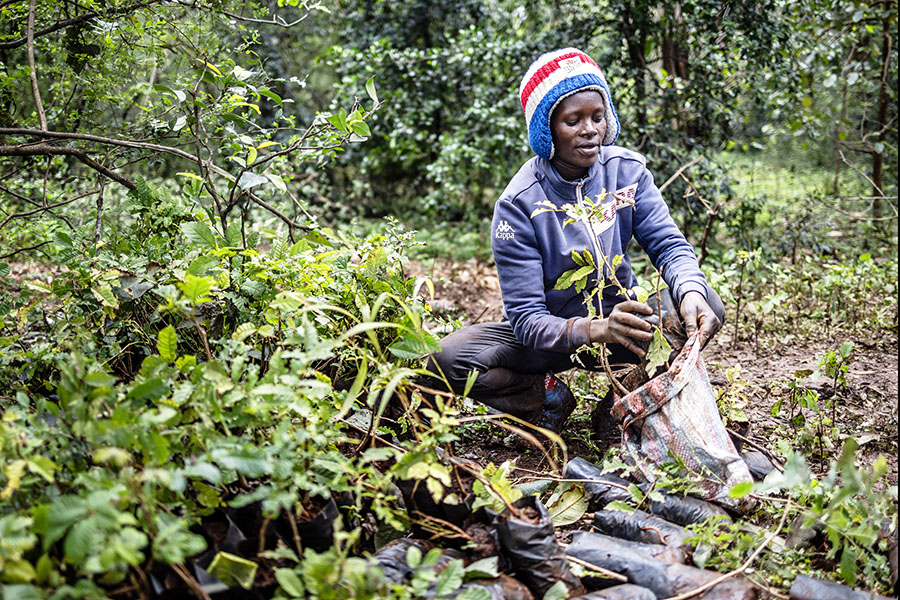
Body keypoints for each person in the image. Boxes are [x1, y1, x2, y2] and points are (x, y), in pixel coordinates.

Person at [426, 48, 724, 435]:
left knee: (702, 302)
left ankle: (622, 408)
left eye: (597, 117)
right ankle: (545, 401)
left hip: (623, 328)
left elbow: (669, 245)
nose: (590, 130)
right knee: (443, 359)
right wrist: (594, 329)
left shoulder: (627, 174)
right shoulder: (519, 204)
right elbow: (527, 319)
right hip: (544, 342)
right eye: (573, 120)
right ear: (546, 129)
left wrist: (688, 290)